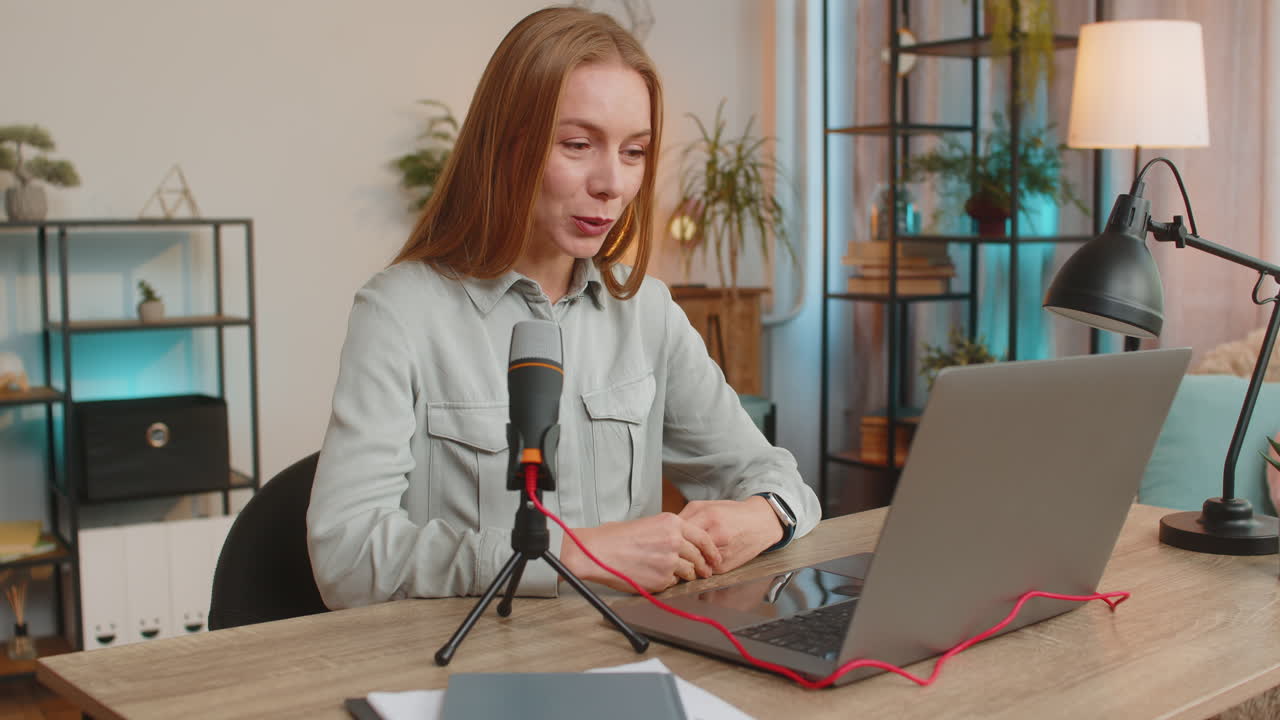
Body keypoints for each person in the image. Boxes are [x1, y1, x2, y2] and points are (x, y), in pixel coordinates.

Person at [306, 5, 820, 610]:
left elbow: (776, 477)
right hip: (472, 675)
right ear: (505, 146)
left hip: (629, 659)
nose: (612, 183)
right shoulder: (399, 313)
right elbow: (346, 555)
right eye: (578, 144)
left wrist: (763, 518)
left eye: (634, 152)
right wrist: (567, 553)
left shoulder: (646, 310)